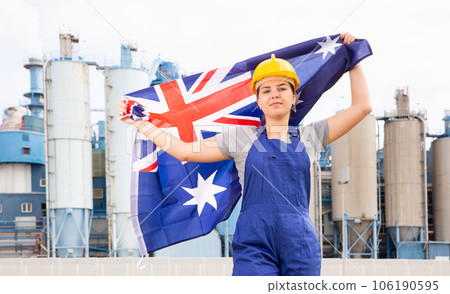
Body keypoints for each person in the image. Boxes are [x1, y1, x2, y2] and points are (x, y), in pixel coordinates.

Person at [117, 32, 371, 276]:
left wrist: (353, 59)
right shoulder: (240, 140)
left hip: (300, 243)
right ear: (258, 101)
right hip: (254, 243)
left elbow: (362, 107)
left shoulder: (311, 137)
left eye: (282, 88)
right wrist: (142, 123)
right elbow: (184, 150)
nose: (274, 94)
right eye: (266, 90)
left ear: (294, 97)